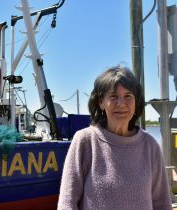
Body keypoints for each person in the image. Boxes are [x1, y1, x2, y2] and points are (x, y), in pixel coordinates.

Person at [57, 66, 172, 210]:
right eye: (113, 96)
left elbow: (162, 204)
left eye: (128, 96)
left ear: (136, 102)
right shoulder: (85, 141)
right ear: (101, 102)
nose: (121, 104)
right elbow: (67, 203)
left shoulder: (150, 146)